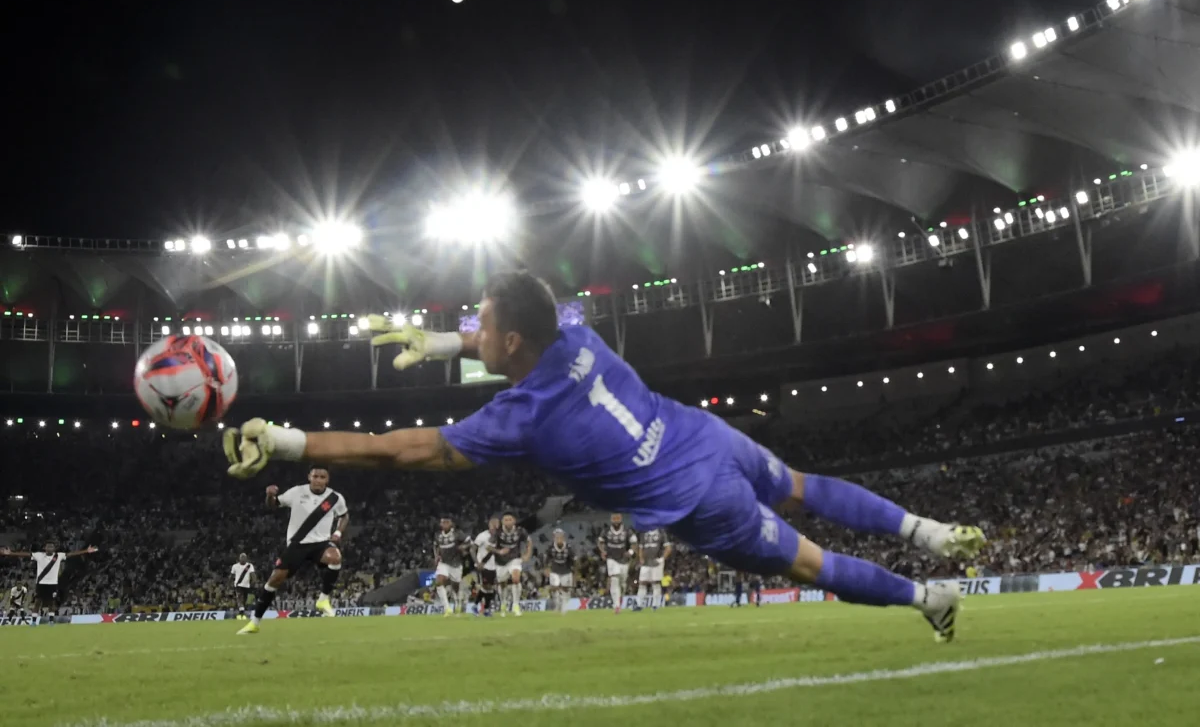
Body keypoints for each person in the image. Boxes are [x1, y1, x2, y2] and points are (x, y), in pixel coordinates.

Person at [224, 271, 985, 642]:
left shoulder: (521, 417)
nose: (475, 333)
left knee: (810, 564)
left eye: (479, 328)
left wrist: (291, 442)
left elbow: (395, 453)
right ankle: (926, 531)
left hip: (699, 503)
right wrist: (445, 342)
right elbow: (524, 326)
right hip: (701, 432)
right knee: (801, 484)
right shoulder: (576, 329)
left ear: (510, 344)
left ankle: (930, 601)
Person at [237, 466, 349, 635]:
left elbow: (344, 515)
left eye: (322, 477)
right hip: (297, 544)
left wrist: (338, 532)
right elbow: (274, 505)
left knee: (335, 557)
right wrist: (270, 496)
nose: (318, 480)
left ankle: (323, 599)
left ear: (327, 480)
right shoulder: (297, 492)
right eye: (315, 476)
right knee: (275, 580)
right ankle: (254, 622)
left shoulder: (335, 498)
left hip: (321, 543)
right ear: (309, 477)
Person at [0, 542, 98, 620]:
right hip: (41, 583)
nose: (50, 548)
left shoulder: (58, 556)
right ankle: (34, 621)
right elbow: (25, 554)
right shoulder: (39, 555)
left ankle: (51, 620)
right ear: (45, 548)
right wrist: (11, 553)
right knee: (38, 601)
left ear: (54, 549)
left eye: (52, 546)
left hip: (53, 583)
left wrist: (86, 551)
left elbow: (71, 554)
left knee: (52, 602)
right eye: (48, 546)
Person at [493, 513, 531, 617]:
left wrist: (527, 554)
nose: (508, 521)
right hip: (501, 562)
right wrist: (499, 551)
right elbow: (489, 547)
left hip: (515, 558)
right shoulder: (498, 532)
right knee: (502, 583)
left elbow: (529, 541)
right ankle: (503, 604)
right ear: (502, 522)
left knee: (516, 579)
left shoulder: (520, 531)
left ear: (514, 521)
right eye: (506, 519)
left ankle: (515, 605)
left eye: (510, 519)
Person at [599, 513, 636, 614]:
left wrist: (630, 552)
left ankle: (621, 596)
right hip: (611, 558)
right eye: (614, 518)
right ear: (611, 519)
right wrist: (603, 551)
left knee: (622, 583)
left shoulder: (627, 530)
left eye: (617, 518)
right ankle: (617, 606)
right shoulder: (606, 531)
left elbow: (634, 543)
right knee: (614, 579)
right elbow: (600, 542)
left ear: (621, 519)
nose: (616, 520)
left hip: (623, 559)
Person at [433, 515, 470, 616]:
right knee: (438, 582)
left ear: (451, 523)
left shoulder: (457, 534)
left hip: (456, 564)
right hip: (444, 563)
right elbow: (436, 546)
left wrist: (463, 547)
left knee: (455, 587)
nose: (444, 524)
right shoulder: (438, 535)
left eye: (447, 522)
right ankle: (447, 608)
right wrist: (436, 556)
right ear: (440, 524)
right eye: (443, 522)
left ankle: (458, 602)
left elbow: (469, 541)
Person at [636, 528, 671, 611]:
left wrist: (662, 559)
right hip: (646, 562)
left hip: (656, 562)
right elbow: (641, 547)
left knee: (655, 583)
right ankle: (639, 605)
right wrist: (641, 558)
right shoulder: (643, 533)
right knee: (642, 583)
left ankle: (655, 605)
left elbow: (668, 548)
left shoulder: (661, 532)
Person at [472, 516, 501, 616]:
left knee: (491, 588)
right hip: (482, 565)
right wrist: (477, 561)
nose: (495, 526)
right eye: (493, 524)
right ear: (489, 525)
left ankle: (485, 608)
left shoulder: (499, 537)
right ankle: (477, 606)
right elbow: (472, 549)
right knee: (486, 586)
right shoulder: (482, 536)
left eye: (496, 524)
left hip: (493, 566)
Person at [544, 528, 575, 614]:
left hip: (566, 570)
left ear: (563, 537)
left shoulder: (569, 547)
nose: (558, 539)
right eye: (556, 537)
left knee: (565, 589)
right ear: (554, 537)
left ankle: (564, 606)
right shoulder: (550, 547)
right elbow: (547, 558)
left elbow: (573, 559)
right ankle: (557, 604)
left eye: (560, 537)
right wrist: (546, 568)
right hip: (554, 569)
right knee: (554, 587)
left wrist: (574, 571)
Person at [230, 553, 256, 620]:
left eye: (244, 557)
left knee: (244, 601)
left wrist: (253, 582)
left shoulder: (250, 566)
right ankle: (242, 614)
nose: (243, 558)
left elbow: (253, 575)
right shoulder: (235, 566)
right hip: (238, 585)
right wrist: (230, 584)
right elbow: (231, 576)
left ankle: (240, 614)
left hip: (246, 586)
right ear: (239, 558)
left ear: (246, 558)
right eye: (242, 557)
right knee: (239, 598)